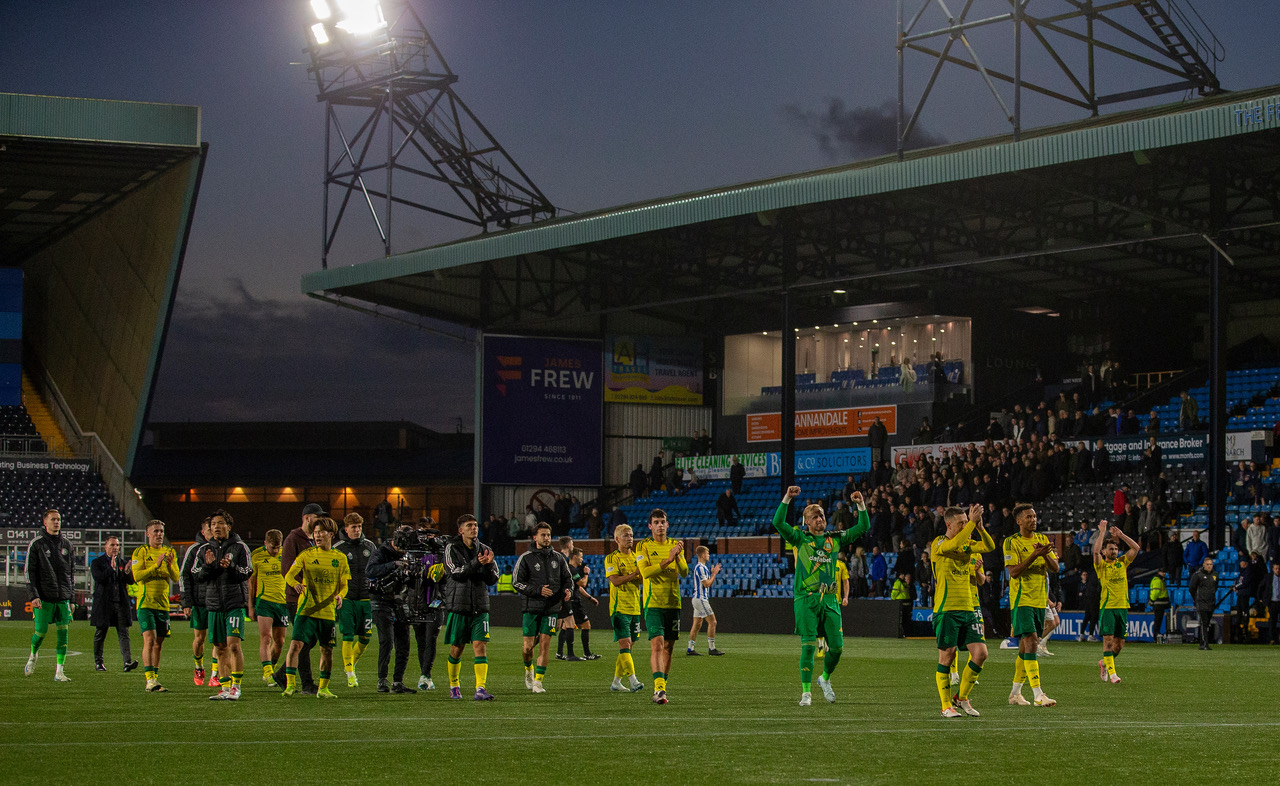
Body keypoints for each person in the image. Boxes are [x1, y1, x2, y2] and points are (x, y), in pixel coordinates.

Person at [772, 487, 870, 706]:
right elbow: (778, 522)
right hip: (806, 599)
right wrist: (787, 497)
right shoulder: (799, 538)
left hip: (829, 599)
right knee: (808, 646)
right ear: (807, 521)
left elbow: (863, 526)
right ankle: (806, 692)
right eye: (815, 517)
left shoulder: (833, 539)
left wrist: (860, 504)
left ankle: (824, 679)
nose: (820, 519)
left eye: (822, 516)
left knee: (837, 647)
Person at [930, 505, 993, 718]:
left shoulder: (966, 543)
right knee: (947, 655)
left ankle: (962, 697)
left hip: (968, 608)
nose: (966, 526)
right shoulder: (939, 543)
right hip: (946, 608)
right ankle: (945, 705)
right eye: (961, 523)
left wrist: (981, 527)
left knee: (981, 653)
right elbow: (954, 544)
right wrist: (973, 524)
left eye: (967, 522)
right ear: (949, 524)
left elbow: (989, 546)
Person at [282, 516, 350, 698]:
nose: (317, 535)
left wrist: (340, 595)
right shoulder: (306, 555)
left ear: (331, 534)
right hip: (306, 609)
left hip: (327, 612)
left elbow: (344, 585)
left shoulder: (340, 558)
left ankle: (323, 688)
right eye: (315, 532)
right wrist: (295, 584)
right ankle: (290, 685)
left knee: (326, 650)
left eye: (321, 532)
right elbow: (289, 575)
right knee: (295, 645)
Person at [192, 510, 253, 700]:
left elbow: (247, 571)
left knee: (233, 645)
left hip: (233, 603)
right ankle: (225, 688)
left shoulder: (240, 547)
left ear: (229, 526)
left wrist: (231, 567)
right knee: (219, 648)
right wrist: (209, 566)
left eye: (220, 523)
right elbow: (196, 574)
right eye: (213, 524)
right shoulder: (204, 550)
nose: (216, 527)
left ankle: (236, 686)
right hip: (213, 605)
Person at [1003, 503, 1058, 707]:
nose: (1033, 520)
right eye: (1028, 517)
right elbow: (1014, 572)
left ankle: (1015, 694)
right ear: (1019, 521)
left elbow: (1055, 568)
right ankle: (1038, 694)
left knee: (1026, 647)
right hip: (1021, 600)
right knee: (1032, 641)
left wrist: (1043, 554)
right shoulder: (1011, 542)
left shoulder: (1042, 539)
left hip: (1038, 599)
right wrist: (1034, 555)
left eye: (1034, 516)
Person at [636, 508, 690, 704]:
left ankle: (662, 686)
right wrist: (668, 560)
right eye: (656, 522)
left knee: (669, 646)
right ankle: (658, 689)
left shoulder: (674, 545)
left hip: (673, 602)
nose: (660, 525)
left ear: (667, 525)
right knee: (657, 644)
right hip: (653, 603)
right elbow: (645, 573)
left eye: (662, 522)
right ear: (650, 526)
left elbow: (684, 572)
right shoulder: (643, 546)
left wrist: (677, 556)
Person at [442, 514, 499, 700]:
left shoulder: (485, 549)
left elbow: (493, 579)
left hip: (480, 606)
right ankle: (454, 684)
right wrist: (476, 563)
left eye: (475, 525)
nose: (474, 528)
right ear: (461, 530)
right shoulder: (452, 548)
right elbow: (455, 573)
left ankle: (480, 688)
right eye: (469, 525)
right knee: (457, 648)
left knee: (480, 646)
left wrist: (489, 566)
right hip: (459, 606)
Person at [512, 522, 572, 694]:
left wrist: (568, 590)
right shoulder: (526, 558)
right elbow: (516, 582)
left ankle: (538, 682)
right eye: (543, 535)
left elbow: (568, 579)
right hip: (531, 608)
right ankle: (528, 670)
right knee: (527, 648)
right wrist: (538, 590)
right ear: (535, 537)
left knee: (545, 645)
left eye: (548, 535)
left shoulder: (558, 558)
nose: (546, 538)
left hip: (552, 608)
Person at [365, 525, 419, 693]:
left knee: (404, 643)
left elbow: (411, 583)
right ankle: (382, 679)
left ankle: (398, 681)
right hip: (381, 601)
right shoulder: (382, 552)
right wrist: (393, 565)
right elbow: (370, 571)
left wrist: (413, 573)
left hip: (399, 601)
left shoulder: (408, 554)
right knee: (387, 641)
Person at [24, 509, 75, 682]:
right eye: (53, 519)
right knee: (41, 632)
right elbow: (29, 572)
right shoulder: (37, 544)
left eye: (59, 519)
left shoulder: (67, 545)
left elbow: (71, 574)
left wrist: (72, 599)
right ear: (45, 522)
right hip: (44, 597)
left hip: (63, 598)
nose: (57, 522)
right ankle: (33, 655)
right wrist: (33, 596)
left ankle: (59, 672)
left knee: (63, 635)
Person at [130, 522, 180, 691]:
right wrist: (156, 566)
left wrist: (170, 564)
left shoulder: (170, 552)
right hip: (146, 603)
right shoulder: (141, 552)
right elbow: (137, 576)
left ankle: (155, 678)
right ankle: (149, 679)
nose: (159, 534)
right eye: (156, 531)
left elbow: (175, 577)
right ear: (148, 534)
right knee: (149, 640)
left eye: (161, 531)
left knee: (159, 643)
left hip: (163, 605)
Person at [279, 503, 323, 693]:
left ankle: (283, 674)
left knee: (309, 639)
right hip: (296, 598)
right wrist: (301, 588)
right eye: (316, 517)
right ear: (306, 518)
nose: (319, 521)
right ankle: (306, 682)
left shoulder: (312, 539)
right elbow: (287, 568)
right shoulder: (292, 539)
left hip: (312, 598)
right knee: (304, 639)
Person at [1093, 521, 1138, 684]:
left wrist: (1121, 536)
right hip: (1108, 608)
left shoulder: (1122, 563)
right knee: (1109, 640)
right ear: (1105, 551)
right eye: (1111, 549)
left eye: (1115, 549)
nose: (1114, 551)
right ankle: (1112, 674)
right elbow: (1095, 552)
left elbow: (1136, 548)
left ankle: (1104, 663)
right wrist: (1102, 532)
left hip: (1123, 607)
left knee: (1119, 645)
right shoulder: (1102, 566)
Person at [335, 512, 376, 688]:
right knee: (348, 636)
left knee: (366, 637)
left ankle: (351, 662)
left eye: (359, 527)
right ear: (346, 529)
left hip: (366, 598)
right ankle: (350, 672)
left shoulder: (370, 546)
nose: (357, 530)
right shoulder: (339, 548)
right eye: (353, 527)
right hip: (347, 599)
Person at [91, 535, 137, 674]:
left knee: (124, 633)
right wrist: (111, 569)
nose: (115, 548)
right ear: (105, 547)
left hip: (120, 604)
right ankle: (99, 662)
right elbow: (99, 578)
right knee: (101, 633)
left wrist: (128, 572)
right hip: (104, 604)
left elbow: (129, 582)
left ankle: (127, 662)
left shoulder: (122, 562)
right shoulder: (97, 562)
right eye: (112, 545)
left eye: (117, 545)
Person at [250, 529, 290, 686]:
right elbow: (251, 582)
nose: (275, 551)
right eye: (272, 547)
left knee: (280, 641)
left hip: (282, 603)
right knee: (266, 637)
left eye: (278, 547)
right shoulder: (256, 555)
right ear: (265, 543)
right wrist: (250, 606)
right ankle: (267, 671)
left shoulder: (285, 554)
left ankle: (271, 670)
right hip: (264, 601)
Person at [411, 516, 446, 691]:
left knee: (431, 639)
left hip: (435, 601)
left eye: (428, 530)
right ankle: (426, 675)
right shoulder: (411, 551)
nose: (425, 535)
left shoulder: (441, 551)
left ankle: (425, 674)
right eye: (422, 530)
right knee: (420, 640)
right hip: (416, 602)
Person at [179, 517, 215, 687]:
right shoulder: (194, 550)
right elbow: (184, 575)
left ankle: (215, 674)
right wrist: (186, 602)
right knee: (199, 639)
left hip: (217, 601)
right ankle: (198, 666)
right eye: (210, 529)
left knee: (218, 639)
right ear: (203, 532)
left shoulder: (222, 547)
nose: (213, 532)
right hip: (200, 602)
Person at [687, 546, 725, 656]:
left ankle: (690, 649)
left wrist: (712, 573)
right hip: (701, 599)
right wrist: (714, 574)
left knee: (697, 624)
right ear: (703, 555)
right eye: (707, 553)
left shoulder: (703, 567)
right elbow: (706, 584)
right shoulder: (700, 568)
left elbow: (708, 583)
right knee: (713, 622)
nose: (708, 555)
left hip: (697, 599)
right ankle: (712, 649)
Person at [567, 548, 601, 659]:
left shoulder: (570, 569)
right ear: (575, 557)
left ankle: (568, 653)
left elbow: (578, 587)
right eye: (581, 556)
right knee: (585, 625)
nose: (582, 559)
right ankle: (585, 653)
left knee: (567, 626)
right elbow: (582, 583)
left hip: (571, 600)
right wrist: (586, 574)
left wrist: (589, 597)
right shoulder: (572, 570)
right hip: (574, 601)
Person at [555, 536, 581, 660]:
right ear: (568, 545)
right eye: (572, 543)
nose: (573, 545)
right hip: (562, 596)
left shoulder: (562, 558)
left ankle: (560, 653)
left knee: (558, 627)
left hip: (562, 595)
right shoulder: (561, 558)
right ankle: (570, 654)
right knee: (570, 623)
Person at [1188, 557, 1217, 650]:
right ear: (1204, 565)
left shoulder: (1215, 575)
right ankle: (1205, 643)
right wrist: (1196, 599)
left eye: (1211, 564)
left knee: (1207, 623)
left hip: (1211, 602)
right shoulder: (1198, 575)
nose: (1209, 566)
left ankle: (1202, 642)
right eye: (1207, 564)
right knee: (1204, 622)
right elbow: (1192, 588)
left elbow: (1215, 587)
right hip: (1201, 602)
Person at [1258, 562, 1280, 645]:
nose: (1277, 570)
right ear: (1273, 569)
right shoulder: (1269, 577)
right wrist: (1260, 598)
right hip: (1272, 603)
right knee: (1272, 621)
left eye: (1278, 569)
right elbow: (1261, 587)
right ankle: (1272, 639)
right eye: (1276, 569)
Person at [1150, 569, 1171, 642]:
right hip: (1158, 603)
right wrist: (1152, 600)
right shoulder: (1157, 581)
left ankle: (1157, 635)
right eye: (1163, 572)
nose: (1164, 573)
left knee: (1158, 620)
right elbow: (1156, 592)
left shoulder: (1160, 580)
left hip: (1160, 603)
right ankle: (1156, 636)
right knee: (1158, 620)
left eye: (1164, 572)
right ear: (1159, 572)